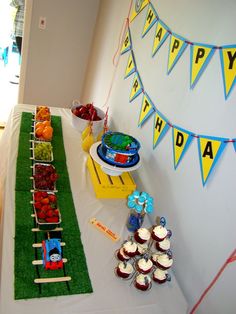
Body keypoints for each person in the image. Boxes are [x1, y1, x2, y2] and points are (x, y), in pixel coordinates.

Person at [9, 0, 25, 84]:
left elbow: (13, 3)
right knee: (23, 54)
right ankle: (23, 74)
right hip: (20, 29)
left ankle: (23, 78)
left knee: (23, 54)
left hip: (21, 30)